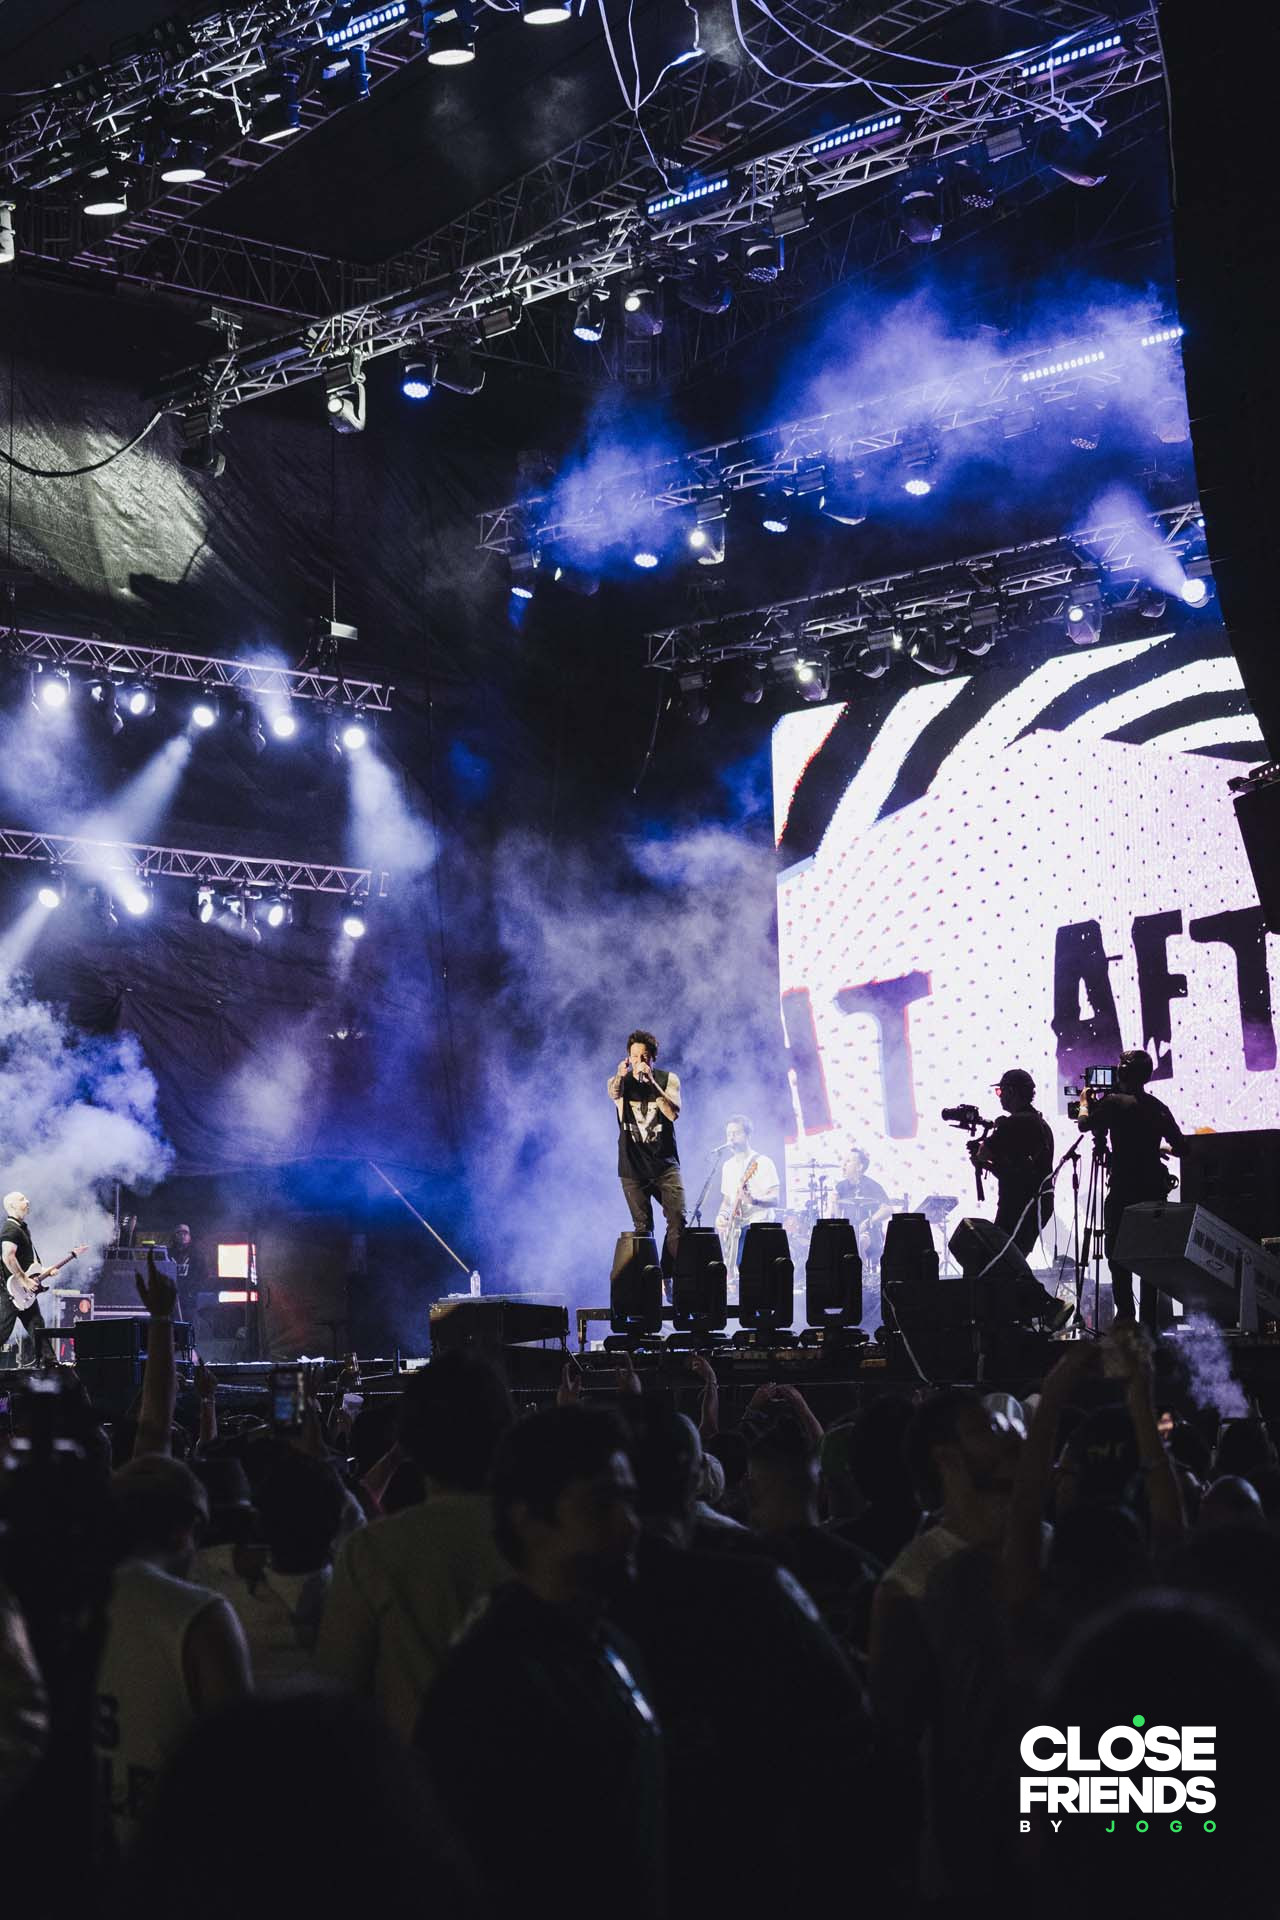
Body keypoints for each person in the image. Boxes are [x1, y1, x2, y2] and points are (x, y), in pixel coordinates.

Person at [415, 1406, 664, 1920]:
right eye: (602, 1504)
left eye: (630, 1500)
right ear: (526, 1517)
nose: (630, 1523)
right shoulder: (486, 1685)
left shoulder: (614, 1646)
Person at [316, 1350, 514, 1738]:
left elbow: (336, 1693)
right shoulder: (541, 1536)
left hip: (410, 1765)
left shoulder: (372, 1551)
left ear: (409, 1441)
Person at [96, 1455, 252, 1850]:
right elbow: (237, 1769)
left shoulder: (52, 1601)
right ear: (187, 1530)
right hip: (165, 1862)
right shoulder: (201, 1617)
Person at [1079, 1047, 1185, 1326]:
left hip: (1123, 1190)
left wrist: (1084, 1102)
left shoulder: (1113, 1103)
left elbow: (1084, 1125)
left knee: (1117, 1255)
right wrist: (1155, 1148)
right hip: (1153, 1191)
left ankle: (1126, 1316)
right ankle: (1150, 1321)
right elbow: (1182, 1148)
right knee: (1149, 1256)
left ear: (1123, 1072)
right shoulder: (1159, 1107)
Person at [608, 1028, 686, 1276]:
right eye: (634, 1056)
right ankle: (648, 1282)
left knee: (678, 1220)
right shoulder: (621, 1082)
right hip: (633, 1168)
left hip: (664, 1166)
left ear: (653, 1058)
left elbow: (673, 1113)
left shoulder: (668, 1079)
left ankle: (668, 1276)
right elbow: (614, 1092)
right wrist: (620, 1076)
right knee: (643, 1227)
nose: (638, 1061)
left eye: (644, 1057)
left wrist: (651, 1083)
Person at [974, 1069, 1054, 1259]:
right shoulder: (1040, 1122)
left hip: (1019, 1205)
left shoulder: (1014, 1123)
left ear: (1012, 1091)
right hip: (1038, 1204)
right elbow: (1017, 1165)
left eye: (1001, 1091)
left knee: (1001, 1263)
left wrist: (982, 1156)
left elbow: (984, 1153)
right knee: (1013, 1260)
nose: (999, 1096)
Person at [715, 1114, 780, 1282]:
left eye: (736, 1133)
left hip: (758, 1226)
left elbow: (775, 1198)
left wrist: (754, 1200)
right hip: (735, 1228)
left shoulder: (763, 1162)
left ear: (748, 1135)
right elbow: (727, 1200)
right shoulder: (727, 1166)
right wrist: (722, 1216)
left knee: (750, 1273)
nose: (731, 1137)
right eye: (728, 1134)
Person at [0, 1193, 50, 1361]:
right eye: (22, 1199)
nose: (27, 1201)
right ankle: (49, 1361)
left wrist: (45, 1271)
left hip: (23, 1291)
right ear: (12, 1206)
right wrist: (24, 1280)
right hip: (11, 1291)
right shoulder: (10, 1229)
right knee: (2, 1330)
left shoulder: (21, 1228)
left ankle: (49, 1362)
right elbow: (8, 1256)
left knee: (36, 1325)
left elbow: (26, 1263)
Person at [834, 1149, 892, 1266]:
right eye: (844, 1161)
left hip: (871, 1233)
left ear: (859, 1167)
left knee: (858, 1242)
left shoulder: (872, 1186)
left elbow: (887, 1209)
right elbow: (837, 1216)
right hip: (848, 1232)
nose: (844, 1164)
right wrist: (834, 1203)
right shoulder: (840, 1187)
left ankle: (862, 1273)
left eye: (848, 1161)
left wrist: (867, 1223)